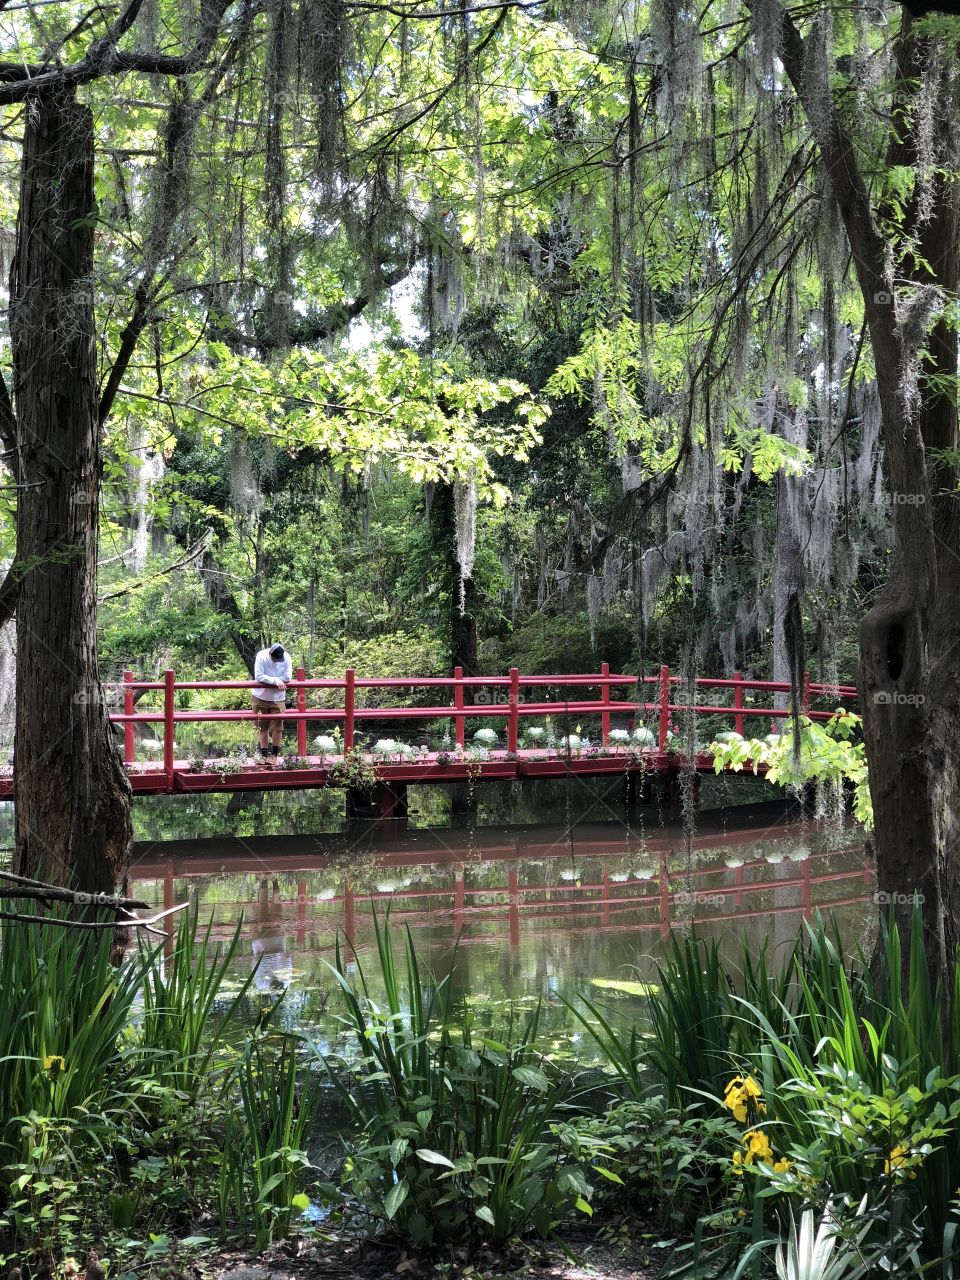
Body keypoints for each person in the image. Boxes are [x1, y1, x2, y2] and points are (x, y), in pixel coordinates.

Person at [252, 641, 292, 765]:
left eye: (278, 659)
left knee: (277, 727)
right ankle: (263, 756)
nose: (276, 661)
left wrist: (273, 679)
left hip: (278, 698)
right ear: (269, 653)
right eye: (274, 658)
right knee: (262, 727)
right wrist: (276, 680)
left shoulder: (287, 657)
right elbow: (259, 676)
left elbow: (287, 677)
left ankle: (274, 756)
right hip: (260, 696)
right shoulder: (261, 656)